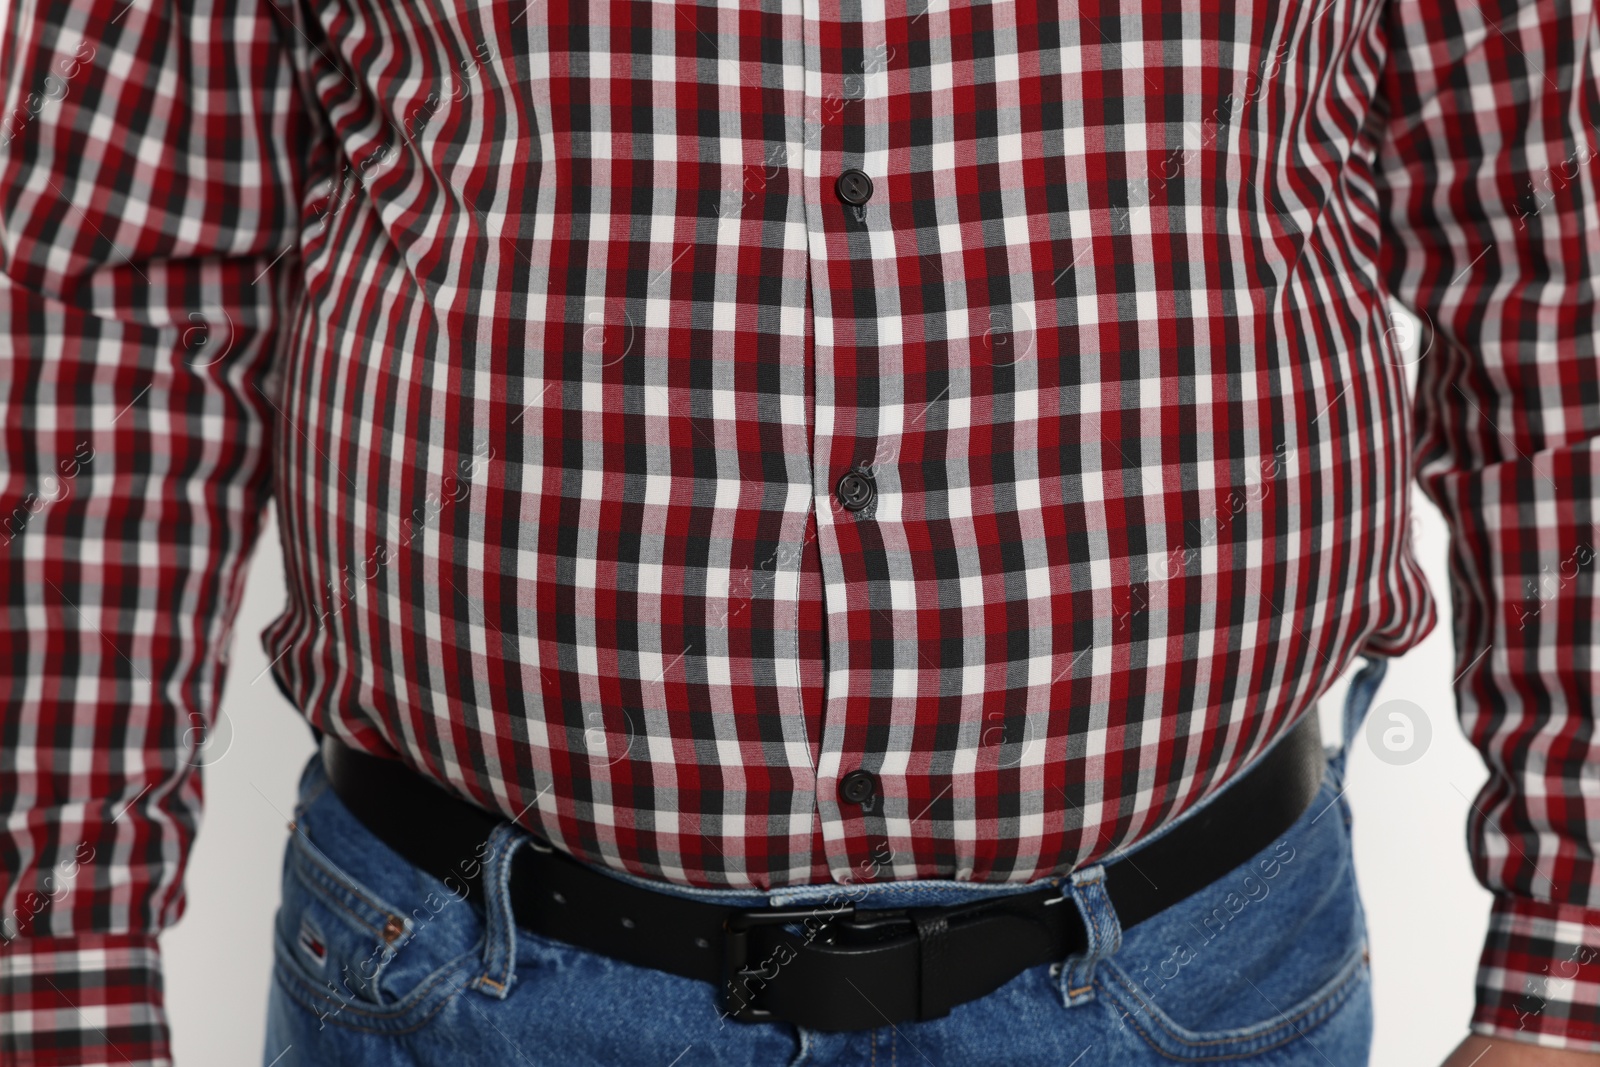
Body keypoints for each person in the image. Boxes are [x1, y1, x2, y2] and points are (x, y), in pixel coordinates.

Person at [2, 0, 1597, 1060]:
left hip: (1197, 973)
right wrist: (60, 969)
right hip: (455, 987)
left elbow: (1556, 255)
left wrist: (1567, 966)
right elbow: (110, 301)